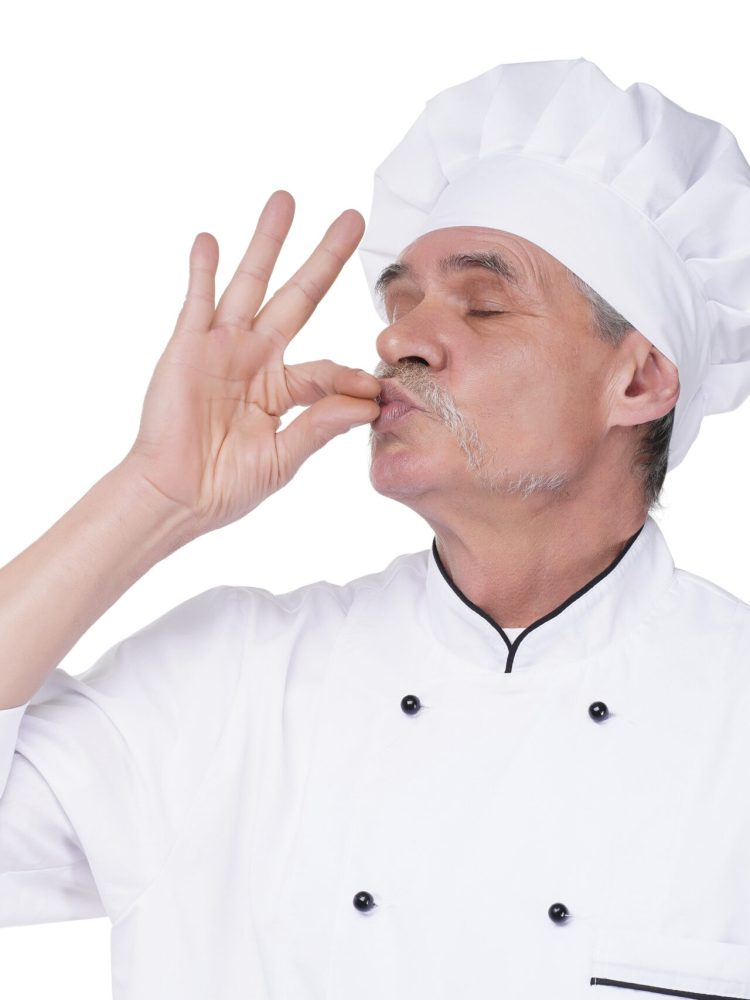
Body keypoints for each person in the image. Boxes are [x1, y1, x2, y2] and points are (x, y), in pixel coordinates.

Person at [2, 56, 750, 1000]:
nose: (399, 341)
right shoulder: (232, 682)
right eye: (399, 306)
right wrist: (152, 495)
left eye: (482, 303)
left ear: (638, 380)